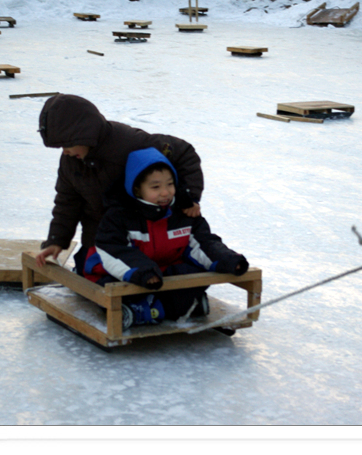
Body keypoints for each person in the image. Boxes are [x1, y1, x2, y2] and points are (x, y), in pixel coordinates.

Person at [34, 94, 204, 272]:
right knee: (92, 275)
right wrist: (56, 240)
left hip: (143, 237)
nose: (65, 152)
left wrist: (189, 197)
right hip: (100, 238)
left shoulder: (129, 143)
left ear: (83, 134)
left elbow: (184, 154)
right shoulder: (71, 162)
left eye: (67, 144)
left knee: (150, 276)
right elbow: (67, 201)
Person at [83, 147, 249, 329]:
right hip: (120, 269)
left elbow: (204, 243)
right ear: (137, 189)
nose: (165, 192)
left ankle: (164, 306)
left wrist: (227, 260)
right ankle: (153, 307)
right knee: (113, 286)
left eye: (170, 184)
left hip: (163, 269)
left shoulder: (183, 214)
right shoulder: (119, 216)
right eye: (155, 187)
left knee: (193, 274)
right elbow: (114, 250)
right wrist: (143, 271)